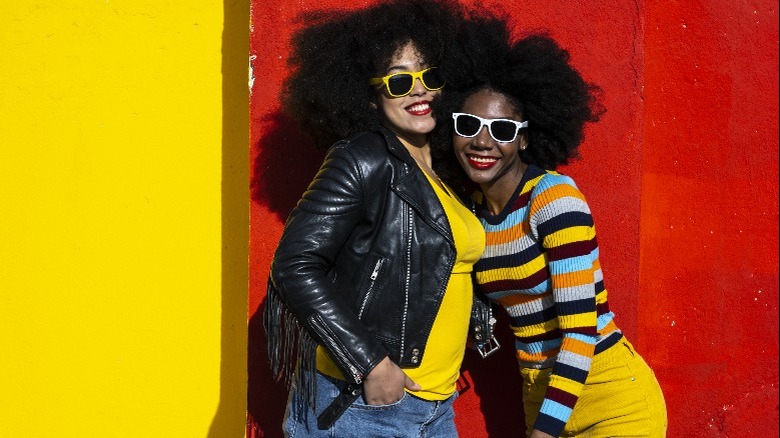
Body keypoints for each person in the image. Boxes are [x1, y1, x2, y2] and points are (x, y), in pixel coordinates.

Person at [263, 1, 489, 436]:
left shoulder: (443, 172)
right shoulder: (363, 158)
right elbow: (294, 265)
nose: (419, 91)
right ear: (369, 96)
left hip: (435, 407)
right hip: (365, 405)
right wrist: (371, 365)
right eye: (400, 81)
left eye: (429, 76)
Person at [435, 18, 669, 438]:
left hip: (609, 398)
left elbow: (580, 331)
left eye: (502, 130)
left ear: (524, 139)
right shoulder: (469, 212)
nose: (482, 142)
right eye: (468, 126)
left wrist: (544, 431)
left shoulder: (553, 199)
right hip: (539, 394)